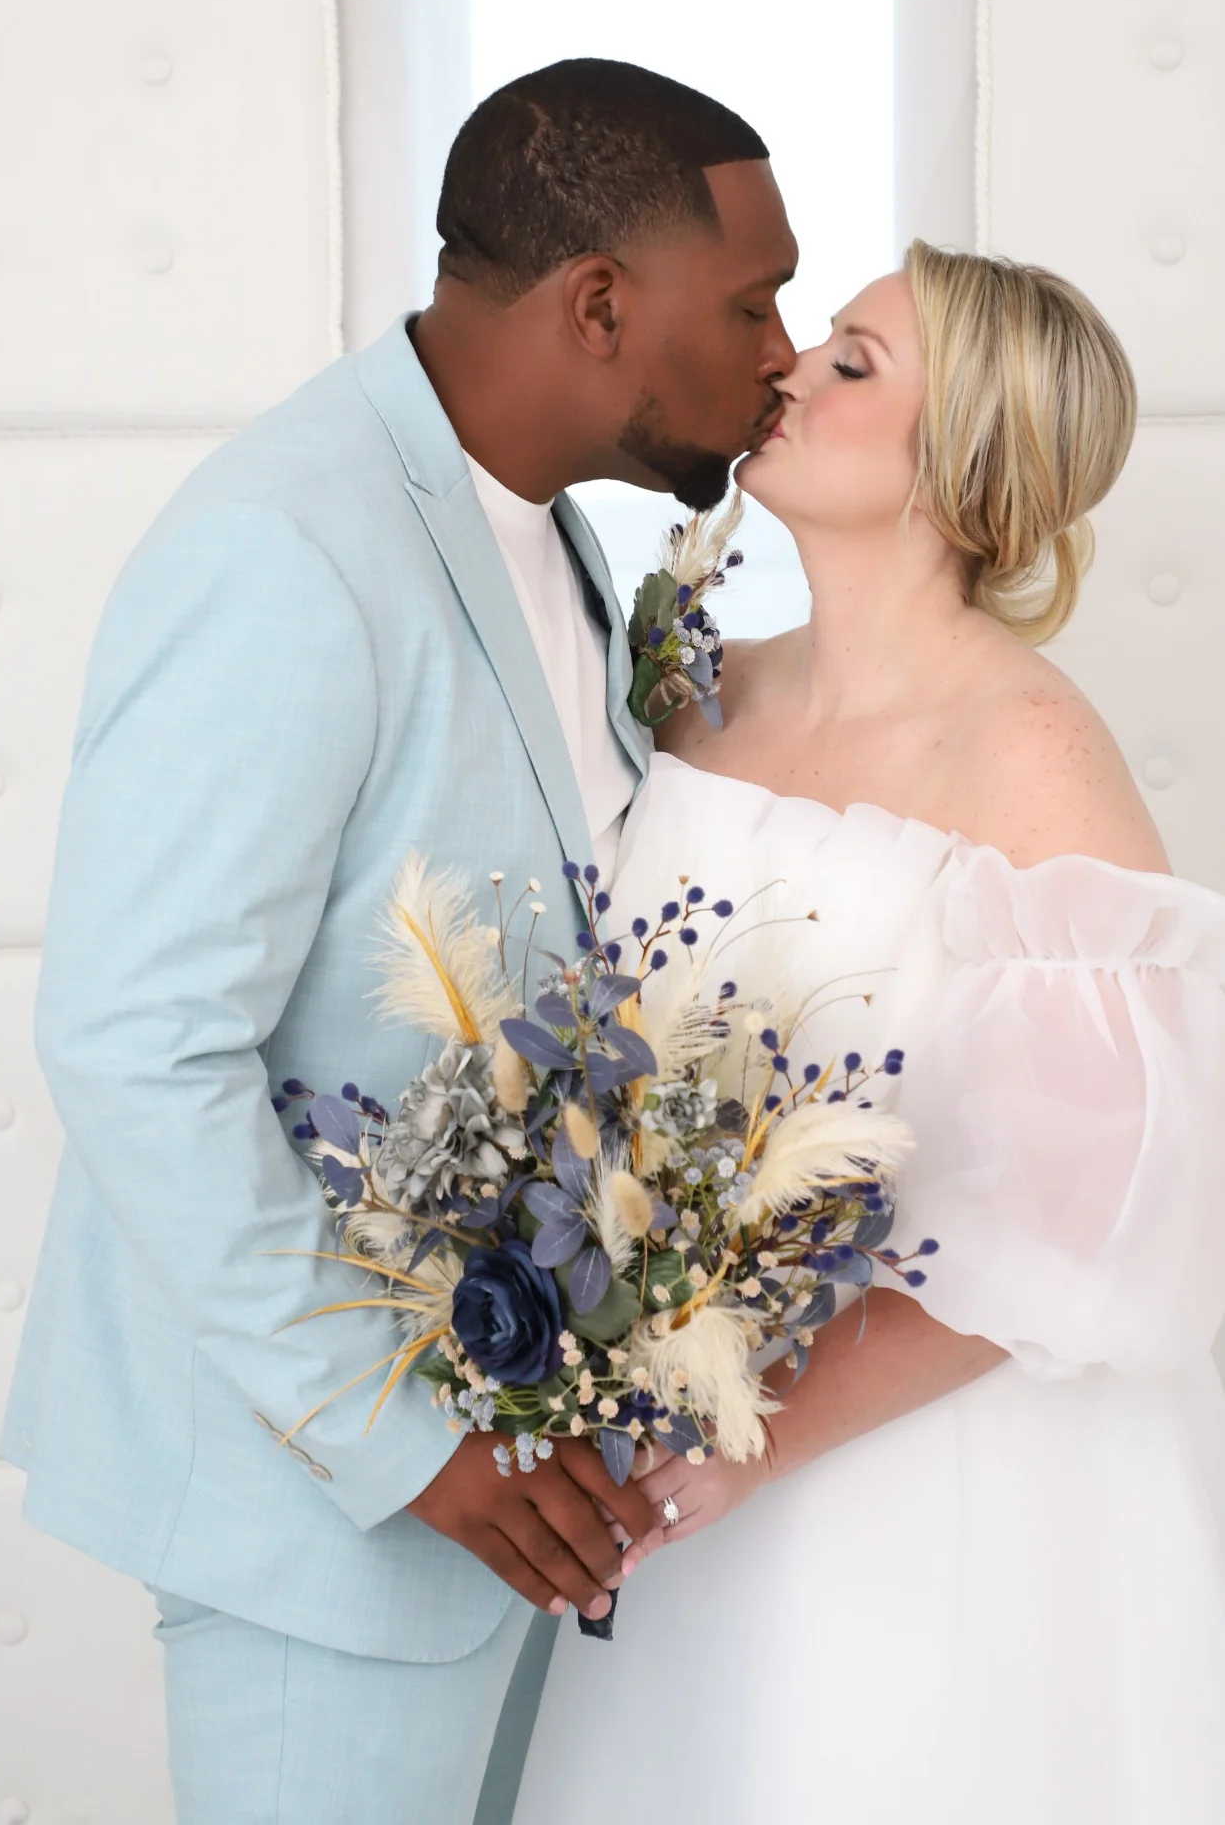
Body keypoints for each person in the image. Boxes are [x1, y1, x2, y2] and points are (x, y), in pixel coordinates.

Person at [2, 58, 816, 1824]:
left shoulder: (558, 536)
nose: (781, 350)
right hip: (335, 1523)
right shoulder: (289, 548)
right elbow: (135, 1044)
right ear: (599, 304)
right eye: (753, 299)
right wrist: (412, 1446)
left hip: (522, 1501)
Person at [515, 242, 1225, 1823]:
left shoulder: (1029, 750)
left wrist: (759, 1442)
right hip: (677, 1452)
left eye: (853, 366)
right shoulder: (705, 696)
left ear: (958, 460)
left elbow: (1084, 1221)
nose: (788, 373)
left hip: (912, 1479)